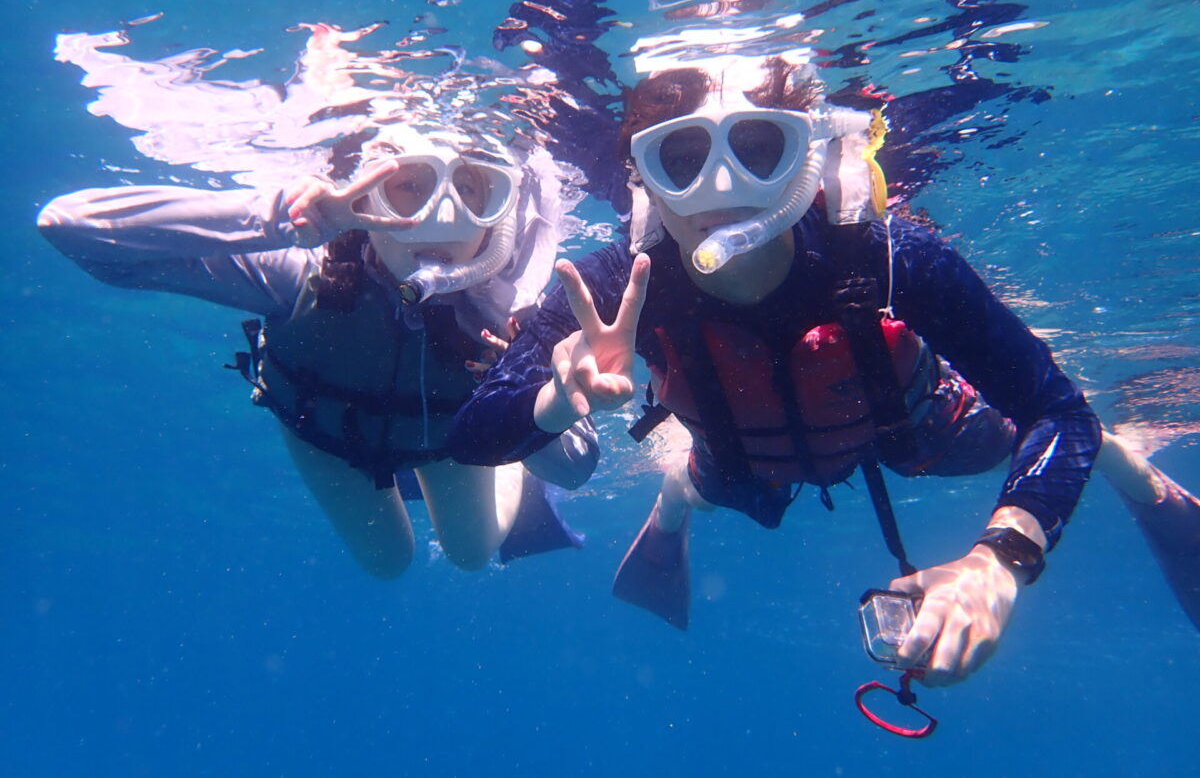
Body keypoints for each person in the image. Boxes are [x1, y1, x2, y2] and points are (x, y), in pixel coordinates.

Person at [449, 49, 1105, 686]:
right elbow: (473, 436)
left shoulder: (890, 258)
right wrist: (552, 405)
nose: (723, 186)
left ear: (805, 157)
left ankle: (1125, 460)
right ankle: (671, 504)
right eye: (682, 159)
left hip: (908, 426)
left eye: (759, 149)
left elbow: (1060, 412)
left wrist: (999, 561)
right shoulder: (618, 286)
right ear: (644, 177)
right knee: (706, 483)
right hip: (740, 458)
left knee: (1033, 436)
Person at [39, 120, 599, 578]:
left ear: (498, 219)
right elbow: (69, 227)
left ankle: (518, 475)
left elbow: (575, 470)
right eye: (409, 186)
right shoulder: (301, 272)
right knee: (386, 562)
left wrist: (536, 405)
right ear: (366, 199)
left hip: (447, 438)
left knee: (470, 554)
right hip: (326, 431)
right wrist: (279, 219)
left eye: (472, 192)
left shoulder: (513, 313)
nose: (441, 217)